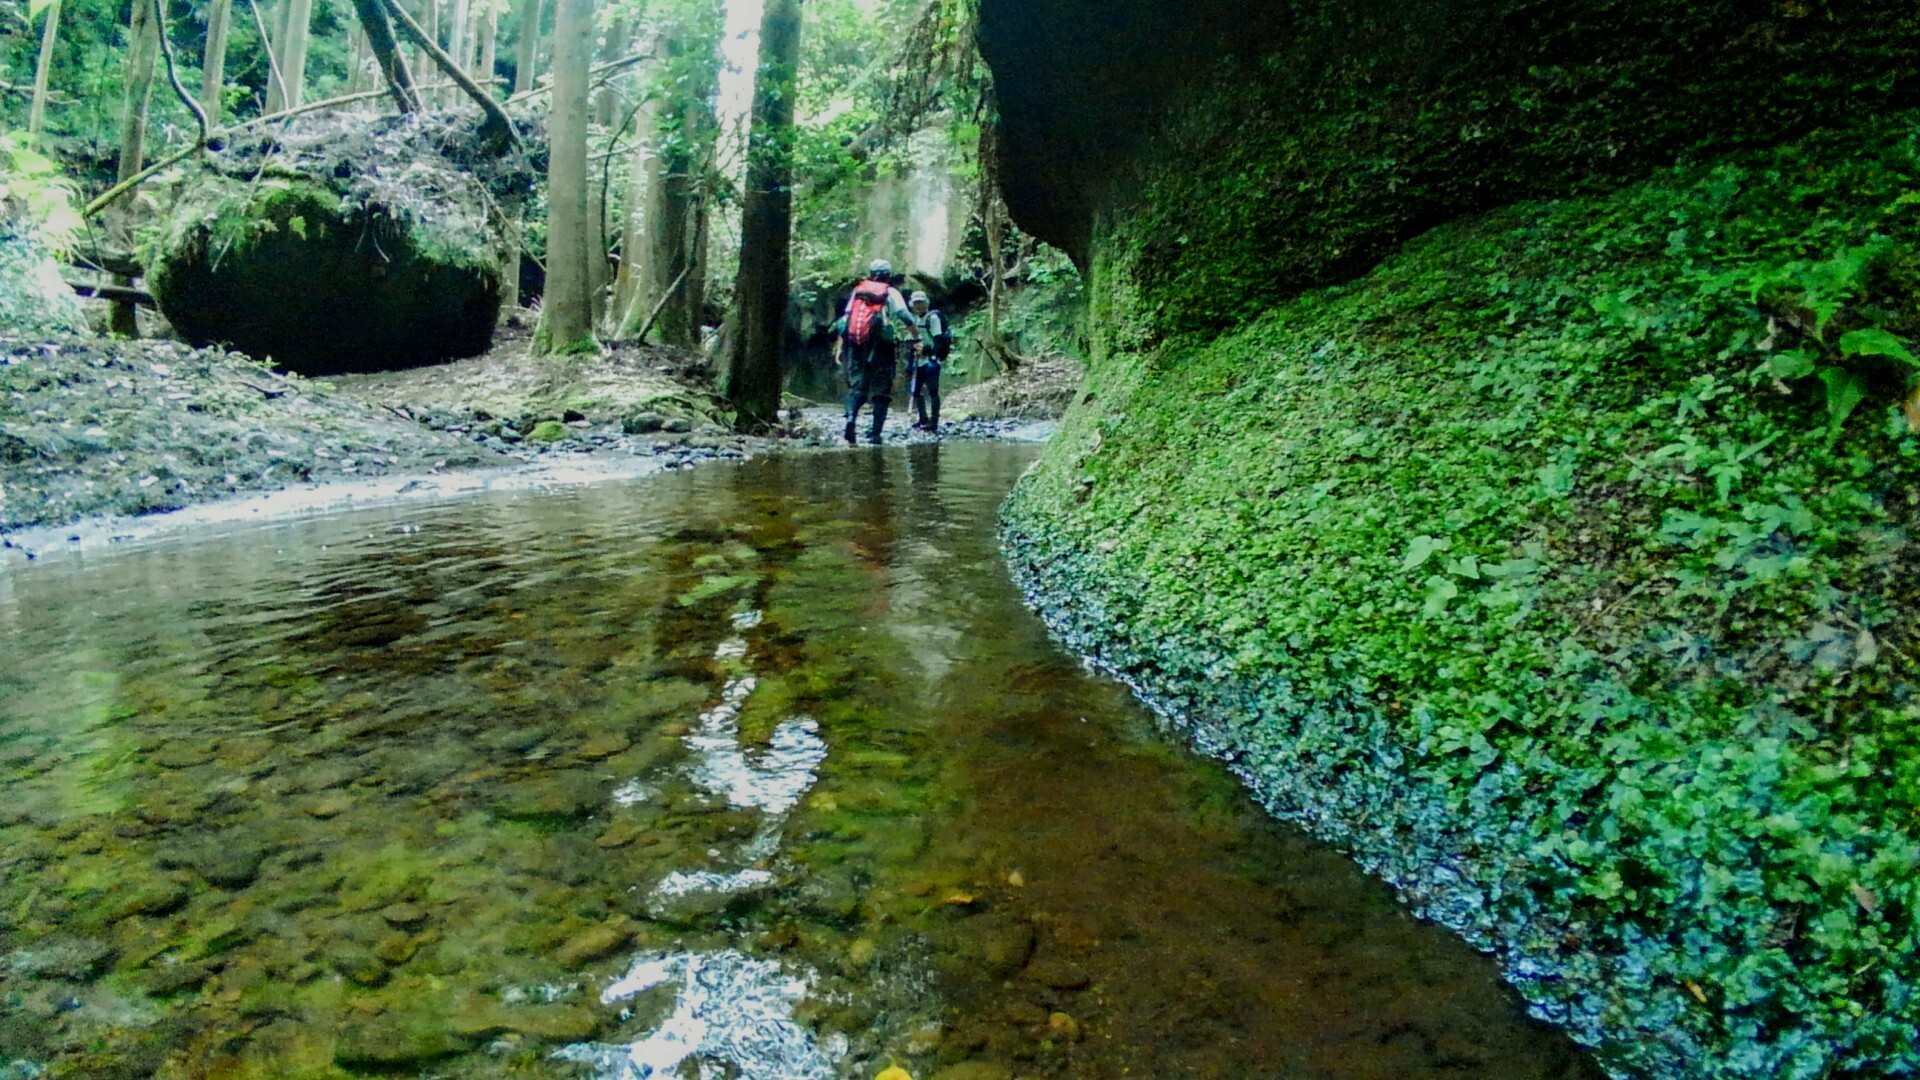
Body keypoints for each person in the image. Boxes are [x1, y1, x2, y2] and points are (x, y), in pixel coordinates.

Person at [838, 259, 916, 446]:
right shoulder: (890, 292)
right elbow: (904, 315)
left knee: (858, 387)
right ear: (888, 275)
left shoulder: (858, 291)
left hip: (857, 343)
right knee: (882, 387)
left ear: (871, 273)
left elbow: (845, 320)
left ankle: (851, 420)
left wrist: (840, 347)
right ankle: (875, 434)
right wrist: (916, 336)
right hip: (881, 345)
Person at [905, 291, 951, 433]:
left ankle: (934, 421)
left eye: (921, 302)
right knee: (916, 391)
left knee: (932, 391)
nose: (918, 305)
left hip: (931, 360)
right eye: (916, 303)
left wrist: (926, 351)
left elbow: (938, 342)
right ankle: (923, 418)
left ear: (926, 303)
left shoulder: (933, 318)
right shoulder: (915, 320)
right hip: (919, 361)